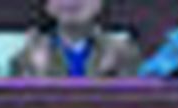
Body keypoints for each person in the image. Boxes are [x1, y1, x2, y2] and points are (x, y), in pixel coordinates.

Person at [10, 0, 141, 78]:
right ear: (48, 6)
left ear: (99, 4)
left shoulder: (123, 53)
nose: (71, 1)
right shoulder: (28, 55)